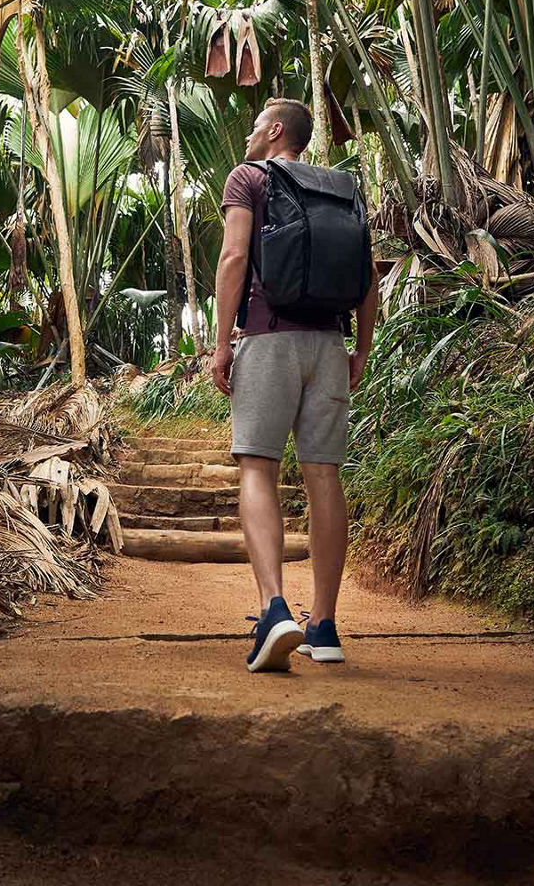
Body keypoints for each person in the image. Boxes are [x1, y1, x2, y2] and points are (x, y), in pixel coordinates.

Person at [212, 98, 379, 672]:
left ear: (276, 130)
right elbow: (367, 276)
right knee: (323, 475)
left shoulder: (249, 179)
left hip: (269, 336)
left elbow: (235, 257)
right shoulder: (342, 187)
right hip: (329, 346)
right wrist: (361, 347)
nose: (251, 133)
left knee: (258, 467)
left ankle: (272, 610)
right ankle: (324, 627)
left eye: (256, 123)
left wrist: (220, 343)